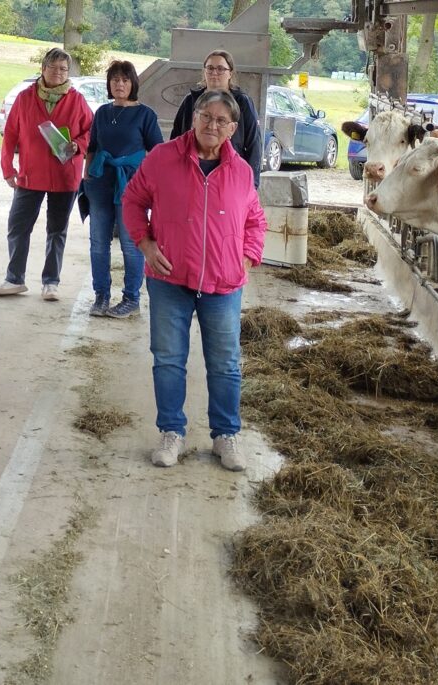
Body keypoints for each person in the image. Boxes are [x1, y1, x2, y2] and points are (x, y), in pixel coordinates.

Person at [123, 89, 266, 471]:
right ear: (193, 117)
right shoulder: (162, 158)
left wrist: (247, 257)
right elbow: (132, 200)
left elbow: (255, 219)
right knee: (169, 359)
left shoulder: (241, 171)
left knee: (225, 363)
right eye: (205, 116)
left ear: (232, 128)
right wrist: (145, 244)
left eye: (221, 120)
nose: (211, 125)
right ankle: (172, 431)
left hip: (223, 284)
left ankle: (225, 435)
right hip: (169, 280)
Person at [0, 48, 92, 301]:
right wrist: (7, 169)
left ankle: (51, 282)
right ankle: (14, 279)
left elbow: (91, 132)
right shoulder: (25, 98)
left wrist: (78, 145)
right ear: (43, 68)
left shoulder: (77, 100)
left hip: (65, 176)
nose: (58, 72)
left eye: (64, 69)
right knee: (18, 226)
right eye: (53, 67)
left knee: (57, 230)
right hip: (30, 174)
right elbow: (10, 135)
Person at [82, 60, 162, 319]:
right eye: (115, 80)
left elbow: (157, 153)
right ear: (109, 84)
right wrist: (87, 177)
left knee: (131, 242)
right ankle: (101, 295)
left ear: (133, 84)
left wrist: (151, 184)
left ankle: (131, 298)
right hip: (100, 183)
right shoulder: (102, 112)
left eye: (125, 80)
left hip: (131, 185)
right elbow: (92, 147)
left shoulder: (146, 115)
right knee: (98, 242)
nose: (119, 84)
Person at [170, 49, 262, 187]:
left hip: (229, 175)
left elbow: (254, 144)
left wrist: (251, 185)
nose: (214, 73)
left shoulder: (242, 102)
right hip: (191, 173)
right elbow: (176, 137)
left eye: (220, 69)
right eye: (210, 68)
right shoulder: (190, 101)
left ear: (230, 73)